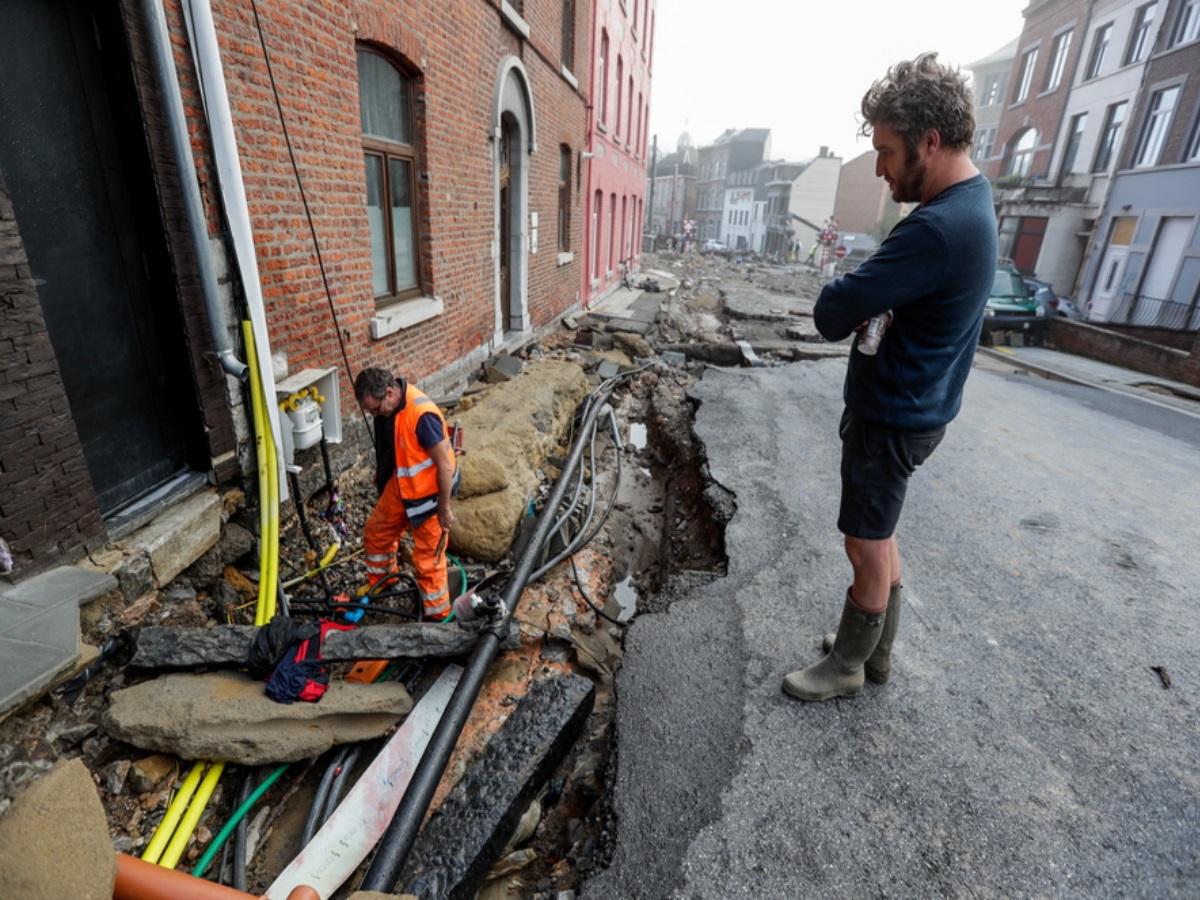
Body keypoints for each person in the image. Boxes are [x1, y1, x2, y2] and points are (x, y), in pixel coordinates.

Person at [782, 52, 997, 702]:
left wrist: (863, 292)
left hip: (894, 414)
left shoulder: (936, 228)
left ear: (929, 142)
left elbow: (831, 311)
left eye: (885, 149)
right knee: (883, 531)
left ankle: (848, 665)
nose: (878, 166)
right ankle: (874, 651)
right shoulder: (974, 204)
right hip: (923, 405)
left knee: (865, 541)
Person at [354, 367, 461, 621]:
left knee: (427, 561)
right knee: (376, 532)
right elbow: (398, 448)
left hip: (430, 496)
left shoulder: (421, 416)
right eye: (370, 411)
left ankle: (438, 617)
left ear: (390, 392)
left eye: (376, 409)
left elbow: (445, 466)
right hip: (403, 485)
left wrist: (443, 509)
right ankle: (382, 583)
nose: (375, 415)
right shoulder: (390, 408)